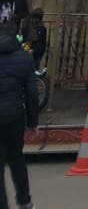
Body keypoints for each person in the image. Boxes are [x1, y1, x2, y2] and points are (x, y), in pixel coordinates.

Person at [0, 22, 39, 209]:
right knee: (16, 158)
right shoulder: (24, 59)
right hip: (15, 117)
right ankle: (24, 201)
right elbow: (32, 93)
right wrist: (32, 122)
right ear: (17, 36)